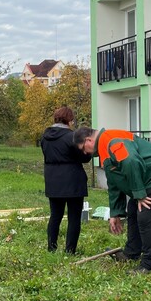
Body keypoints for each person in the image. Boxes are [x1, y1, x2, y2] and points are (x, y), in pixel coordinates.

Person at [73, 127, 151, 274]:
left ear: (89, 140)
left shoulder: (111, 140)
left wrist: (140, 194)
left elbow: (131, 161)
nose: (86, 153)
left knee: (146, 215)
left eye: (84, 148)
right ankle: (131, 253)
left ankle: (149, 264)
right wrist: (115, 213)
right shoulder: (104, 146)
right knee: (133, 208)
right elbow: (114, 183)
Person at [40, 106, 92, 254]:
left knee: (55, 215)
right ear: (69, 120)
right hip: (73, 180)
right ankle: (70, 250)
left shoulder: (44, 137)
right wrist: (89, 154)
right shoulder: (72, 137)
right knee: (74, 217)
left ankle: (51, 247)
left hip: (52, 180)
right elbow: (84, 157)